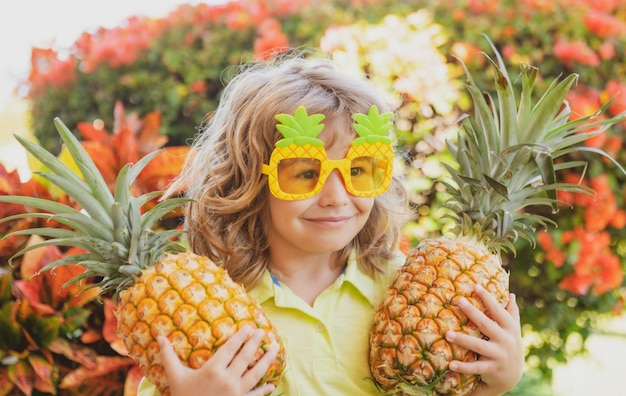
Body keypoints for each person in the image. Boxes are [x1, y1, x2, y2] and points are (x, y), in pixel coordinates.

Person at [137, 51, 524, 396]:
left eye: (359, 169)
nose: (336, 196)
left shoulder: (402, 287)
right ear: (248, 180)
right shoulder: (208, 307)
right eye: (305, 173)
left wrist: (493, 383)